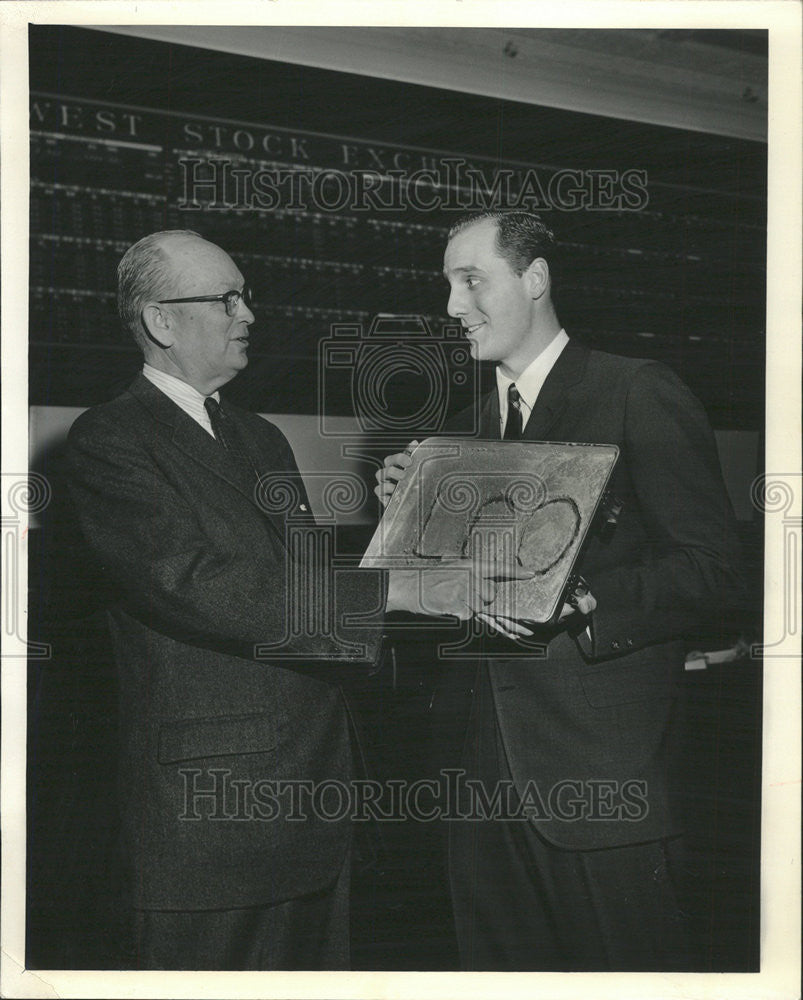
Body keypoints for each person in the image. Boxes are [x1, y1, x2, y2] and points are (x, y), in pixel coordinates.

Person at [66, 229, 532, 970]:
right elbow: (200, 585)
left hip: (311, 801)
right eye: (226, 298)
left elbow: (299, 591)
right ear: (160, 321)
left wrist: (406, 522)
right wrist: (401, 587)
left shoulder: (258, 438)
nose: (247, 313)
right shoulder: (108, 442)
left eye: (245, 294)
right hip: (209, 819)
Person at [376, 210, 743, 971]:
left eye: (470, 280)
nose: (451, 306)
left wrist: (585, 599)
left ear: (534, 279)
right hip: (477, 791)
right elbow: (450, 600)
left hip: (601, 786)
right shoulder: (464, 436)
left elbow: (710, 568)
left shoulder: (635, 390)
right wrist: (408, 518)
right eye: (446, 285)